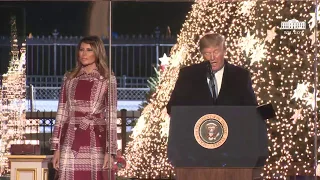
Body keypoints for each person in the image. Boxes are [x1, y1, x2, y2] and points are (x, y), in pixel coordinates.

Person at [51, 36, 117, 180]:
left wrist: (110, 151)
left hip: (96, 139)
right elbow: (61, 112)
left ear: (97, 52)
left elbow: (112, 116)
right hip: (70, 138)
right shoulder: (69, 78)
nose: (84, 54)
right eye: (81, 50)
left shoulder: (107, 78)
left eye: (89, 50)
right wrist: (56, 148)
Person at [166, 33, 257, 115]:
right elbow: (172, 108)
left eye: (216, 52)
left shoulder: (240, 76)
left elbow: (252, 108)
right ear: (202, 54)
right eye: (207, 53)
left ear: (224, 51)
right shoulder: (188, 75)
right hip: (195, 131)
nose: (212, 57)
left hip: (232, 131)